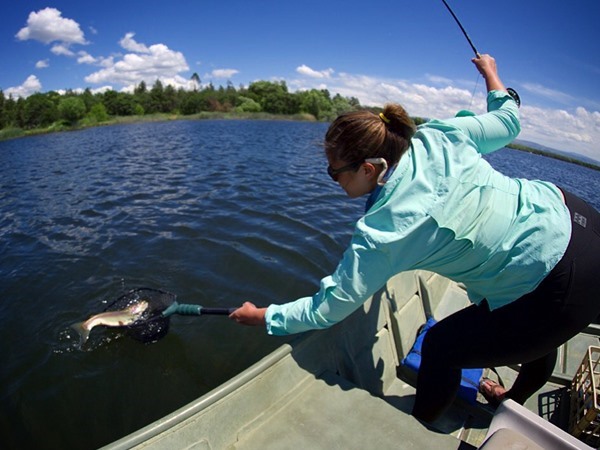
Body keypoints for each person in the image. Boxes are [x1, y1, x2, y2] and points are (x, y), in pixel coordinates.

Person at [229, 54, 600, 422]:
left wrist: (263, 315)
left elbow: (328, 308)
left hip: (560, 284)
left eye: (334, 172)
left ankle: (422, 425)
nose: (332, 178)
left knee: (441, 346)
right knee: (539, 322)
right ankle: (511, 398)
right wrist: (491, 73)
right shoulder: (438, 134)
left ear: (369, 168)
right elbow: (508, 120)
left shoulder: (382, 234)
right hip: (576, 217)